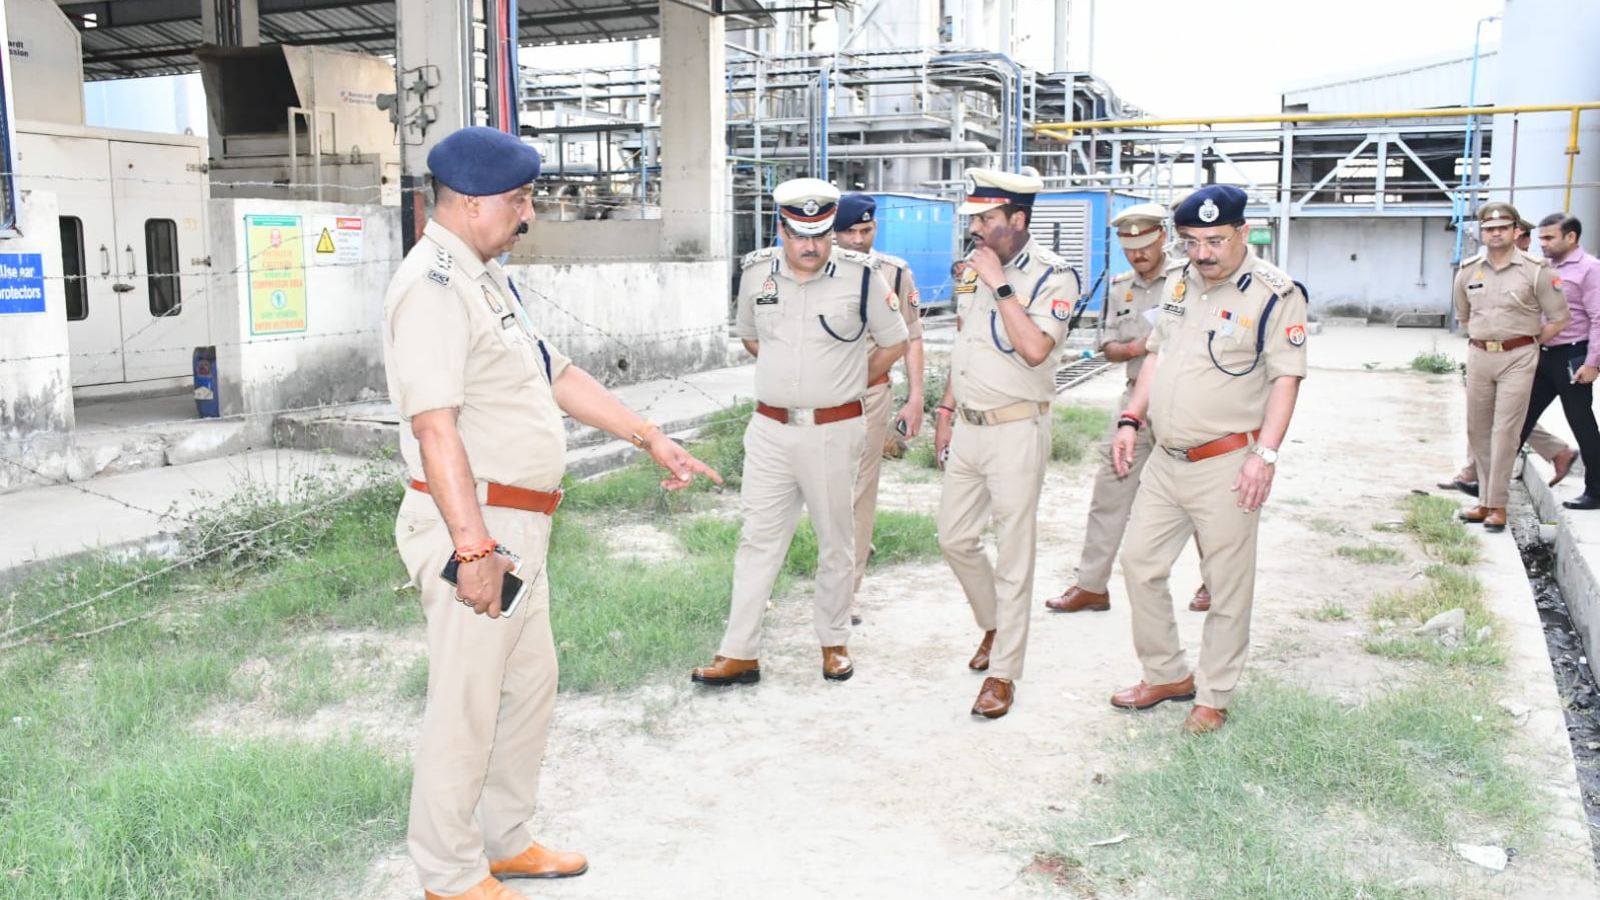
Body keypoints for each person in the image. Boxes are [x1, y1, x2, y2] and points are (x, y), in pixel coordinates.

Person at [385, 127, 721, 900]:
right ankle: (449, 873)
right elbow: (435, 430)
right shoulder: (432, 286)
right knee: (467, 703)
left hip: (520, 528)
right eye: (520, 200)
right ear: (472, 204)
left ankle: (505, 841)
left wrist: (649, 436)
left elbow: (555, 374)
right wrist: (473, 550)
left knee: (528, 685)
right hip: (477, 528)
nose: (529, 215)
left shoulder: (485, 277)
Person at [691, 178, 908, 686]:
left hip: (833, 430)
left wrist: (848, 381)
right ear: (782, 230)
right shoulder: (756, 274)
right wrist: (790, 374)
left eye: (820, 235)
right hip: (769, 429)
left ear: (832, 230)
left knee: (836, 540)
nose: (810, 246)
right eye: (799, 235)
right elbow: (751, 337)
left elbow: (895, 342)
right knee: (757, 541)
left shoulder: (862, 278)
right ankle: (739, 653)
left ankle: (834, 643)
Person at [1108, 184, 1307, 735]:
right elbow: (1156, 355)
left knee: (1226, 584)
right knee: (1139, 564)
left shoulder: (1275, 294)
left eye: (1216, 241)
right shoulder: (1179, 281)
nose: (1203, 254)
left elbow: (1286, 378)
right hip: (1165, 460)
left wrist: (1265, 456)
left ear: (1244, 232)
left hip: (1228, 462)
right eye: (1191, 241)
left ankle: (1214, 694)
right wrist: (1131, 418)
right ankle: (1167, 674)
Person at [932, 168, 1080, 719]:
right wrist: (946, 409)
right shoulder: (973, 269)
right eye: (974, 218)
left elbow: (1036, 349)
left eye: (987, 218)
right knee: (954, 537)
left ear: (1017, 220)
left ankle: (1003, 674)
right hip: (969, 427)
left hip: (1017, 428)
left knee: (1013, 554)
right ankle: (995, 625)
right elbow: (968, 343)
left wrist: (999, 284)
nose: (975, 228)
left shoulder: (1053, 276)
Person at [1044, 202, 1211, 616]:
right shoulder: (1121, 287)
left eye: (1145, 246)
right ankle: (1091, 585)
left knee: (1197, 496)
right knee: (1109, 493)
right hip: (1134, 401)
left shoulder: (1190, 278)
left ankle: (1215, 581)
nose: (1138, 255)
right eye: (1130, 249)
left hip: (1186, 401)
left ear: (1162, 238)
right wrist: (1139, 347)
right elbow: (1109, 347)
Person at [833, 192, 927, 624]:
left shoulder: (894, 272)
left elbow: (912, 335)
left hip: (870, 395)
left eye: (866, 230)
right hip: (820, 396)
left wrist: (916, 396)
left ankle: (846, 591)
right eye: (849, 232)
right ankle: (844, 555)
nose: (858, 240)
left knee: (859, 488)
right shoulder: (815, 269)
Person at [1438, 216, 1577, 494]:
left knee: (1506, 418)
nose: (1533, 243)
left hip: (1532, 352)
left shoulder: (1535, 271)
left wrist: (1527, 343)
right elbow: (1468, 315)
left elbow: (1567, 317)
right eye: (1491, 230)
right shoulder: (1478, 269)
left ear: (1517, 235)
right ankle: (1482, 474)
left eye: (1514, 233)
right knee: (1487, 417)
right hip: (1492, 353)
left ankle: (1480, 479)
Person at [1525, 213, 1600, 510]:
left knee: (1581, 423)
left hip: (1572, 356)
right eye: (1541, 238)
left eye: (1549, 238)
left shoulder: (1590, 269)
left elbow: (1598, 317)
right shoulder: (1545, 267)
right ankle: (1491, 485)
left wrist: (1593, 363)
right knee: (1520, 419)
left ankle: (1596, 491)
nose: (1542, 243)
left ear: (1571, 237)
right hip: (1544, 355)